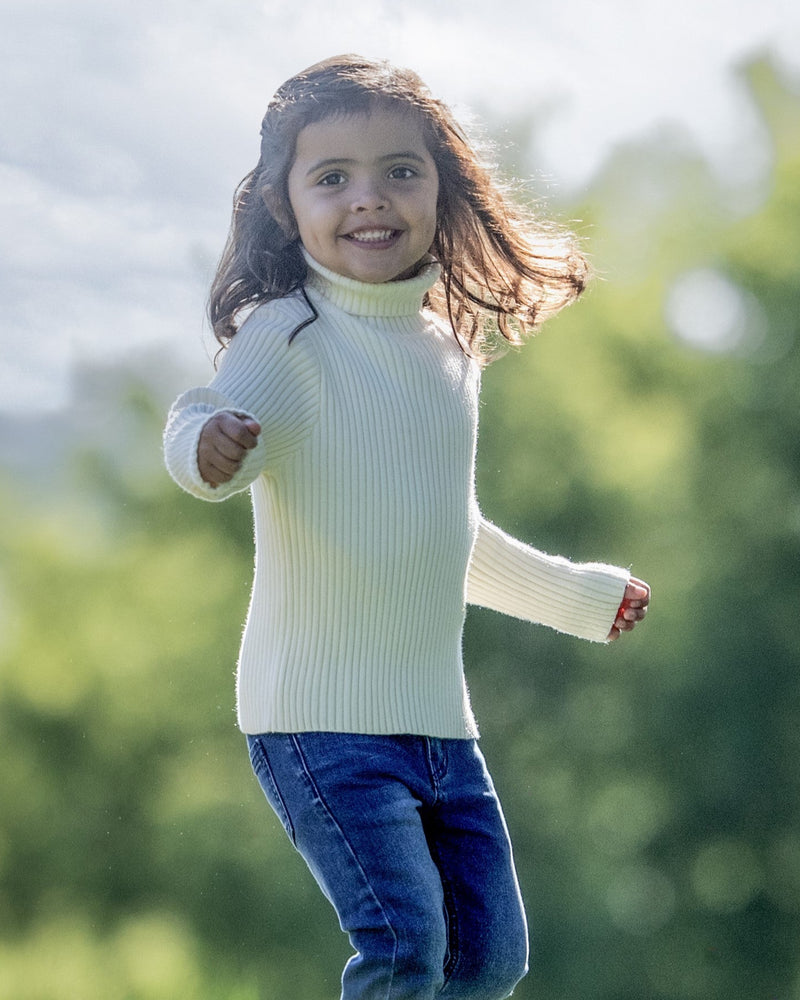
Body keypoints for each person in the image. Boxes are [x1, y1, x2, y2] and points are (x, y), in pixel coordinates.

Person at [163, 54, 649, 1000]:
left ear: (440, 187)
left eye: (399, 170)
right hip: (317, 719)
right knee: (403, 948)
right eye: (332, 177)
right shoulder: (288, 335)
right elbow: (203, 417)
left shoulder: (445, 353)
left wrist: (579, 598)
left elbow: (445, 535)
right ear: (283, 206)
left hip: (438, 724)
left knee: (489, 958)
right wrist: (206, 449)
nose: (369, 198)